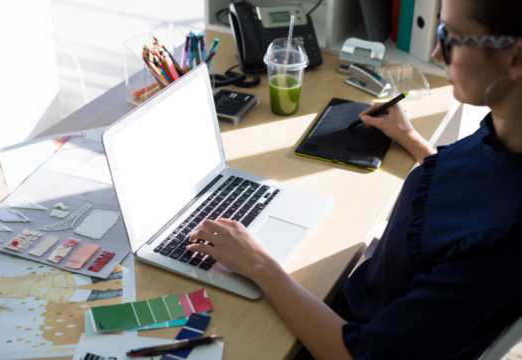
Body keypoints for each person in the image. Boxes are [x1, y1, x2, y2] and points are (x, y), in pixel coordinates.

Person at [187, 0, 522, 358]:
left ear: (515, 58)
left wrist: (259, 265)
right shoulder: (505, 132)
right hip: (358, 295)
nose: (438, 54)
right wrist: (410, 139)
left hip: (343, 336)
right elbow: (474, 188)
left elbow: (356, 355)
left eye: (451, 37)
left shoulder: (502, 244)